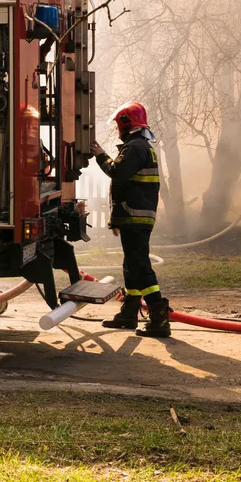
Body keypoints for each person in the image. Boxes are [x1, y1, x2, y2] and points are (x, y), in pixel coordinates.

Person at [90, 102, 171, 338]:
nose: (118, 129)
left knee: (140, 266)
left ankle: (159, 316)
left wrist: (100, 155)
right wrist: (118, 219)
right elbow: (127, 184)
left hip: (135, 216)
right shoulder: (140, 146)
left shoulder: (135, 147)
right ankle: (129, 313)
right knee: (131, 265)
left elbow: (118, 173)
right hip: (133, 216)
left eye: (119, 124)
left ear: (127, 123)